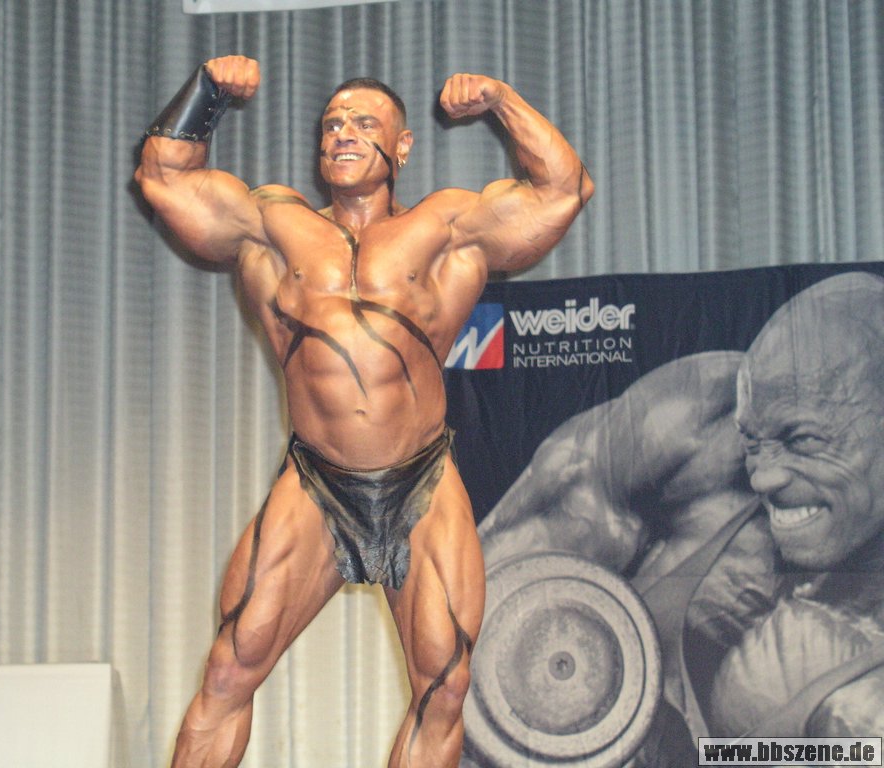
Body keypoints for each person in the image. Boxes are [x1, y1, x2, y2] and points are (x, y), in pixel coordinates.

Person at [135, 54, 593, 768]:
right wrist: (209, 91)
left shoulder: (447, 229)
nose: (343, 133)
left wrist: (501, 99)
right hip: (317, 483)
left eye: (363, 123)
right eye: (332, 124)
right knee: (230, 667)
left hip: (422, 483)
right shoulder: (273, 224)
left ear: (401, 146)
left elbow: (565, 188)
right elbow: (163, 177)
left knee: (444, 687)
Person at [474, 272, 884, 763]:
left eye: (804, 441)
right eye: (753, 442)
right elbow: (472, 602)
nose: (764, 478)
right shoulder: (702, 425)